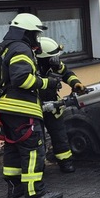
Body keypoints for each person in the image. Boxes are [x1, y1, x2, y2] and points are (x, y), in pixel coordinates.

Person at [0, 13, 63, 198]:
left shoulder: (6, 48)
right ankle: (35, 192)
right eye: (35, 34)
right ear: (26, 33)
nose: (37, 38)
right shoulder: (21, 49)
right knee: (33, 150)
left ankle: (15, 189)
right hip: (22, 109)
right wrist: (48, 83)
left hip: (7, 109)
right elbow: (21, 79)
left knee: (13, 148)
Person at [36, 37, 87, 173]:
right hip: (35, 107)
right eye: (53, 57)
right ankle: (38, 168)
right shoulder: (31, 68)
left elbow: (66, 73)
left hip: (53, 106)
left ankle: (66, 163)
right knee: (37, 138)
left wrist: (75, 83)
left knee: (60, 135)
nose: (56, 60)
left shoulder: (54, 65)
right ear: (44, 57)